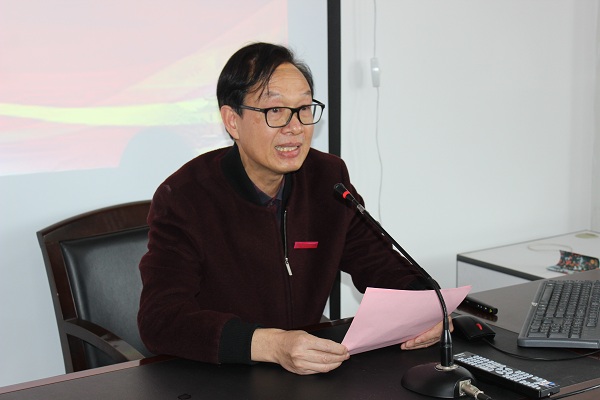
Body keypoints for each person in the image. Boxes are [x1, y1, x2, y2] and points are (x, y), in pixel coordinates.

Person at [138, 42, 446, 375]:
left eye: (303, 108)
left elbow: (379, 262)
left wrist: (427, 306)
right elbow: (160, 320)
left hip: (307, 372)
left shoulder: (327, 179)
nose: (295, 127)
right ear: (232, 121)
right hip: (221, 374)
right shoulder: (185, 197)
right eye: (275, 111)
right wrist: (271, 345)